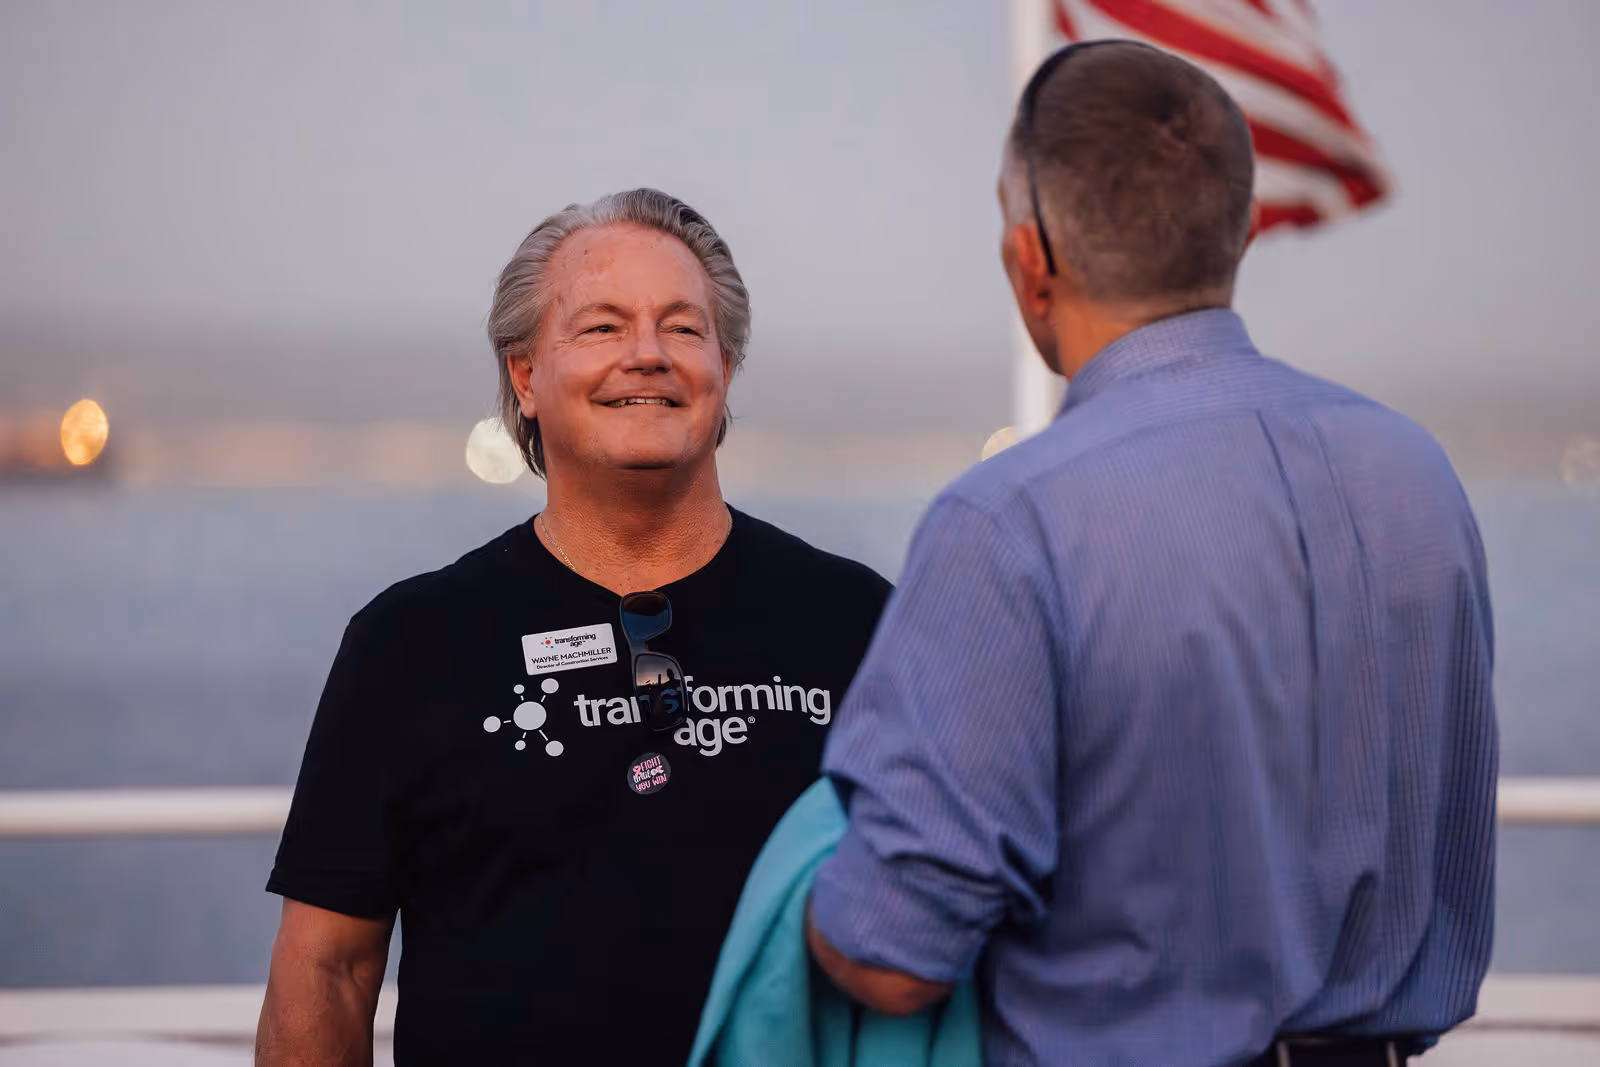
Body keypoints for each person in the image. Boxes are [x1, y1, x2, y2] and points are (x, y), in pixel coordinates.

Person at [806, 41, 1497, 1067]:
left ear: (1030, 260)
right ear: (1239, 232)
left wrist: (788, 897)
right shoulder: (1413, 473)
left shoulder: (1010, 519)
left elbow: (893, 954)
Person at [255, 188, 891, 1065]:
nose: (647, 354)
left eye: (683, 327)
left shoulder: (858, 622)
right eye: (601, 327)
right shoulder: (411, 643)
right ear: (525, 377)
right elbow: (328, 970)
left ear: (725, 368)